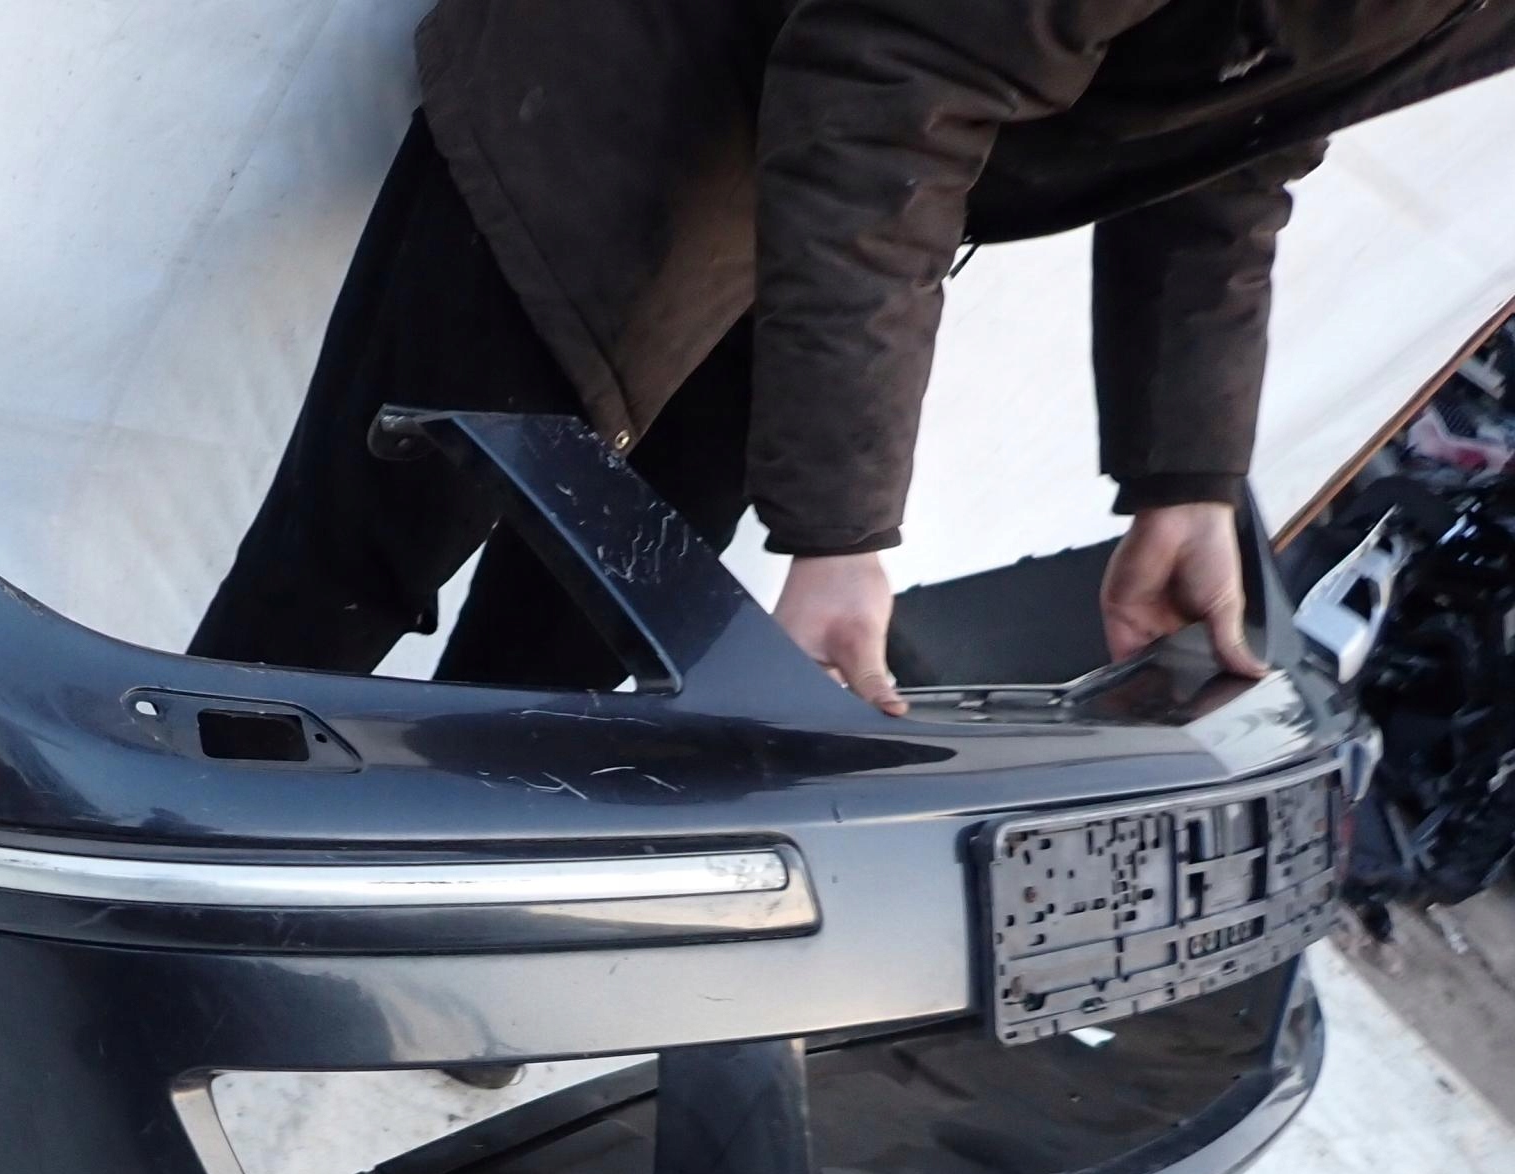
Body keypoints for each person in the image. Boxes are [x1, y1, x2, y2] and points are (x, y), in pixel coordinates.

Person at [190, 0, 1514, 711]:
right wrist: (837, 530)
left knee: (589, 627)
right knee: (347, 574)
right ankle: (129, 909)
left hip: (827, 196)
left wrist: (1188, 478)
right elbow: (894, 77)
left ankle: (426, 928)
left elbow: (1237, 130)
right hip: (647, 73)